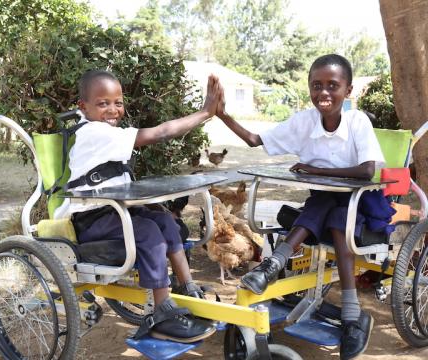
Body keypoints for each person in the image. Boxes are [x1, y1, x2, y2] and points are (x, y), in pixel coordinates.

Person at [216, 54, 388, 360]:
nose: (323, 92)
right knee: (325, 205)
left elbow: (365, 171)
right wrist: (222, 115)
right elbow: (256, 140)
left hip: (360, 204)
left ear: (347, 91)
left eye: (332, 85)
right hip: (323, 204)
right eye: (316, 85)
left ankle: (279, 266)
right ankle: (349, 314)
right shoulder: (304, 122)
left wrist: (316, 170)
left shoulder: (357, 121)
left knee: (336, 212)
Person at [55, 69, 222, 343]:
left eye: (117, 102)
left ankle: (188, 287)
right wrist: (205, 112)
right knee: (147, 232)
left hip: (116, 211)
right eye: (103, 103)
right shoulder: (94, 132)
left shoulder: (109, 133)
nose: (112, 109)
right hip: (91, 219)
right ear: (82, 108)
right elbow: (161, 133)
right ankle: (161, 313)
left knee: (167, 221)